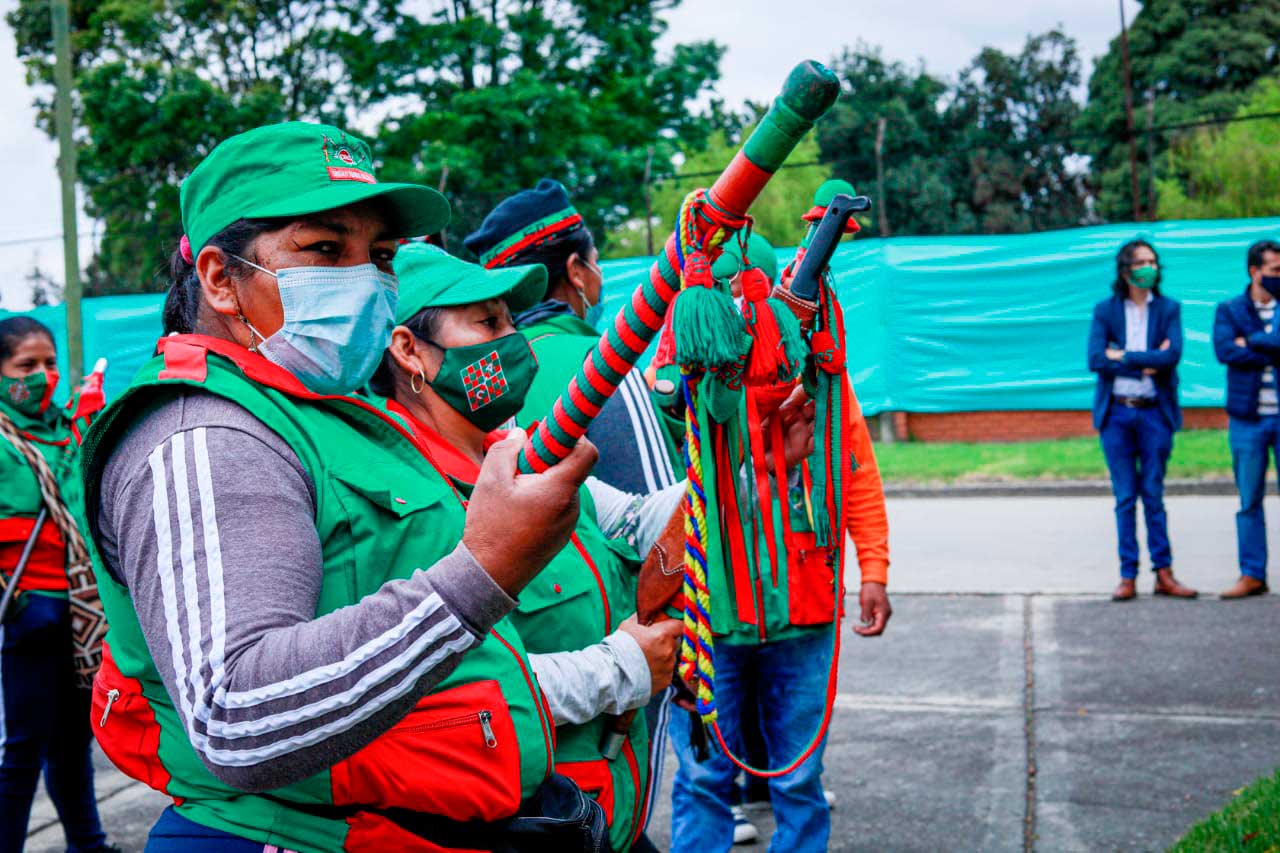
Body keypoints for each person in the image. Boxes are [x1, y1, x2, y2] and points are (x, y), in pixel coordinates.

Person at [79, 122, 606, 850]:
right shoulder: (203, 431)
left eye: (380, 256)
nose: (366, 279)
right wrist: (484, 569)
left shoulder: (326, 411)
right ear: (219, 279)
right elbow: (237, 711)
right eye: (325, 249)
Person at [368, 241, 689, 852]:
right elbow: (455, 690)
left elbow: (643, 522)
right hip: (524, 823)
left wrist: (746, 455)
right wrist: (619, 668)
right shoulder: (410, 503)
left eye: (511, 321)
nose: (511, 343)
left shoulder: (524, 458)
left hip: (604, 816)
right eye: (488, 323)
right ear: (410, 350)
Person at [664, 232, 893, 853]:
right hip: (712, 623)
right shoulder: (685, 388)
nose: (748, 311)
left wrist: (873, 567)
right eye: (731, 295)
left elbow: (858, 476)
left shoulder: (821, 383)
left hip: (806, 613)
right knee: (704, 774)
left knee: (800, 777)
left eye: (760, 297)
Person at [465, 179, 683, 831]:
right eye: (485, 320)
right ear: (577, 270)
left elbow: (622, 512)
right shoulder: (601, 367)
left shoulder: (486, 398)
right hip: (601, 714)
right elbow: (665, 544)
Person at [0, 317, 114, 852]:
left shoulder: (70, 429)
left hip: (83, 616)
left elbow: (89, 502)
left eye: (48, 364)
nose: (42, 376)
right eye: (26, 367)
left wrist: (93, 429)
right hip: (29, 615)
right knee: (24, 748)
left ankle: (87, 846)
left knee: (73, 745)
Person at [1087, 239, 1196, 601]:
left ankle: (1164, 573)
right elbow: (1095, 360)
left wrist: (1121, 354)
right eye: (1142, 262)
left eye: (1153, 261)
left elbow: (1172, 356)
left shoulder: (1168, 309)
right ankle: (1127, 575)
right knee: (1124, 497)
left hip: (1154, 414)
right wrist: (1146, 358)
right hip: (1117, 413)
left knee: (1153, 494)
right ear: (1126, 270)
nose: (1150, 267)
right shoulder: (1105, 311)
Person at [1213, 238, 1280, 599]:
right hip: (1248, 419)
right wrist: (1271, 346)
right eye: (1275, 271)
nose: (1279, 277)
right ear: (1255, 271)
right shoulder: (1230, 310)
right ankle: (1252, 574)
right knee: (1249, 500)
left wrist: (1250, 343)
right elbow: (1224, 350)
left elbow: (1241, 349)